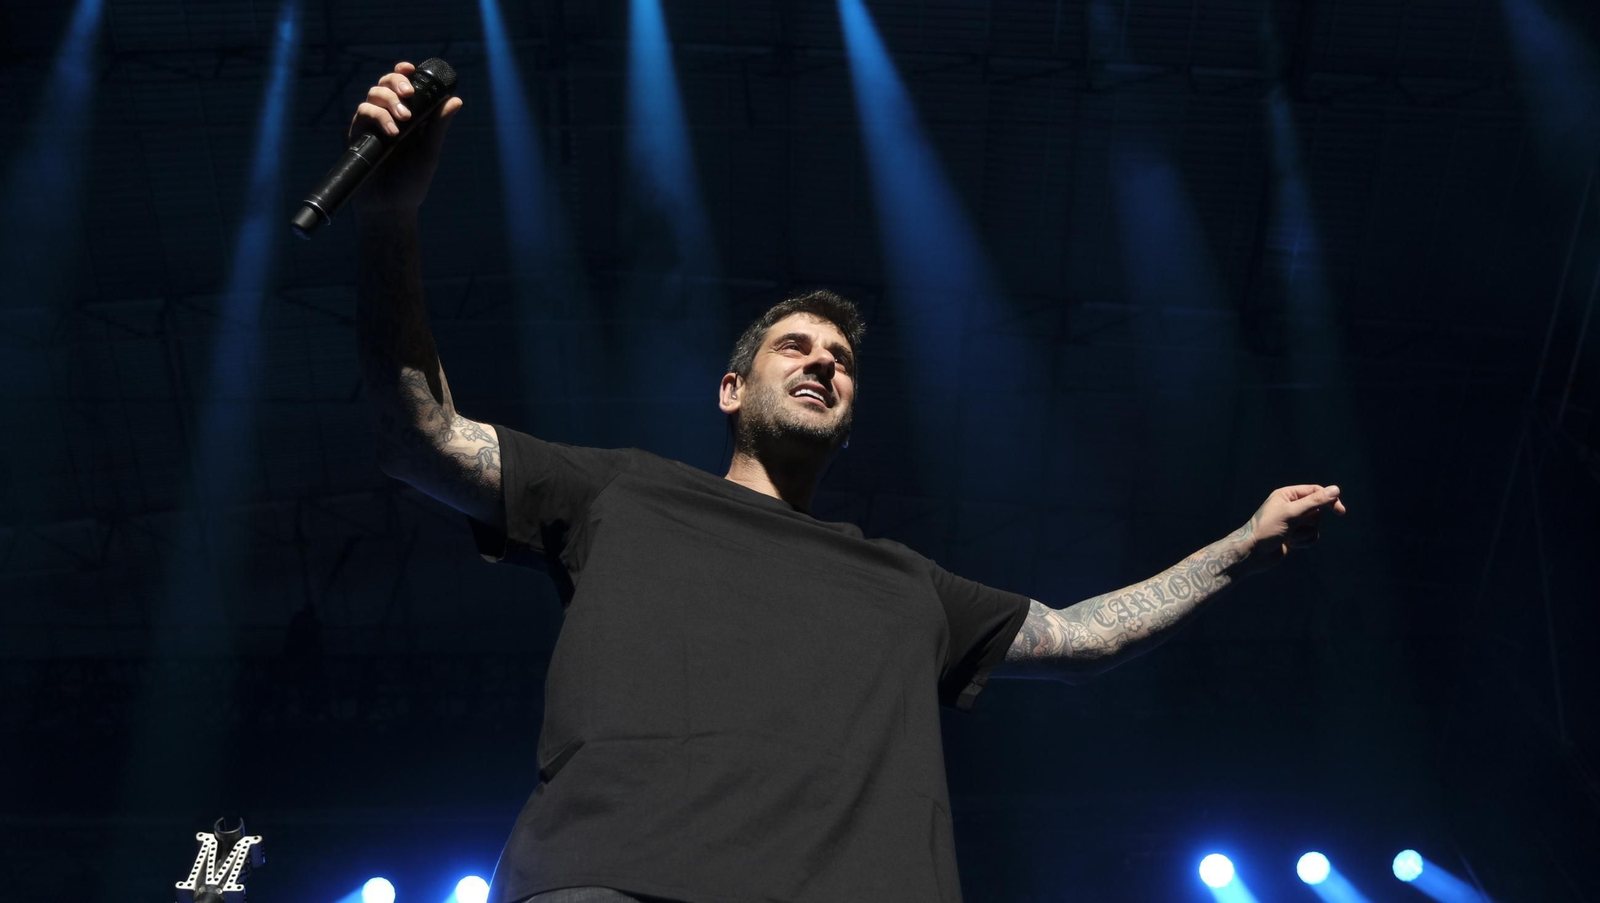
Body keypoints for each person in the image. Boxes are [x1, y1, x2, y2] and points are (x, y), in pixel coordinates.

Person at [351, 61, 1349, 903]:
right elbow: (422, 438)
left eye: (842, 358)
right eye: (796, 345)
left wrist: (1239, 550)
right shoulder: (623, 493)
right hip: (615, 882)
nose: (824, 361)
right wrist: (392, 217)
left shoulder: (907, 583)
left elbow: (1083, 637)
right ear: (732, 388)